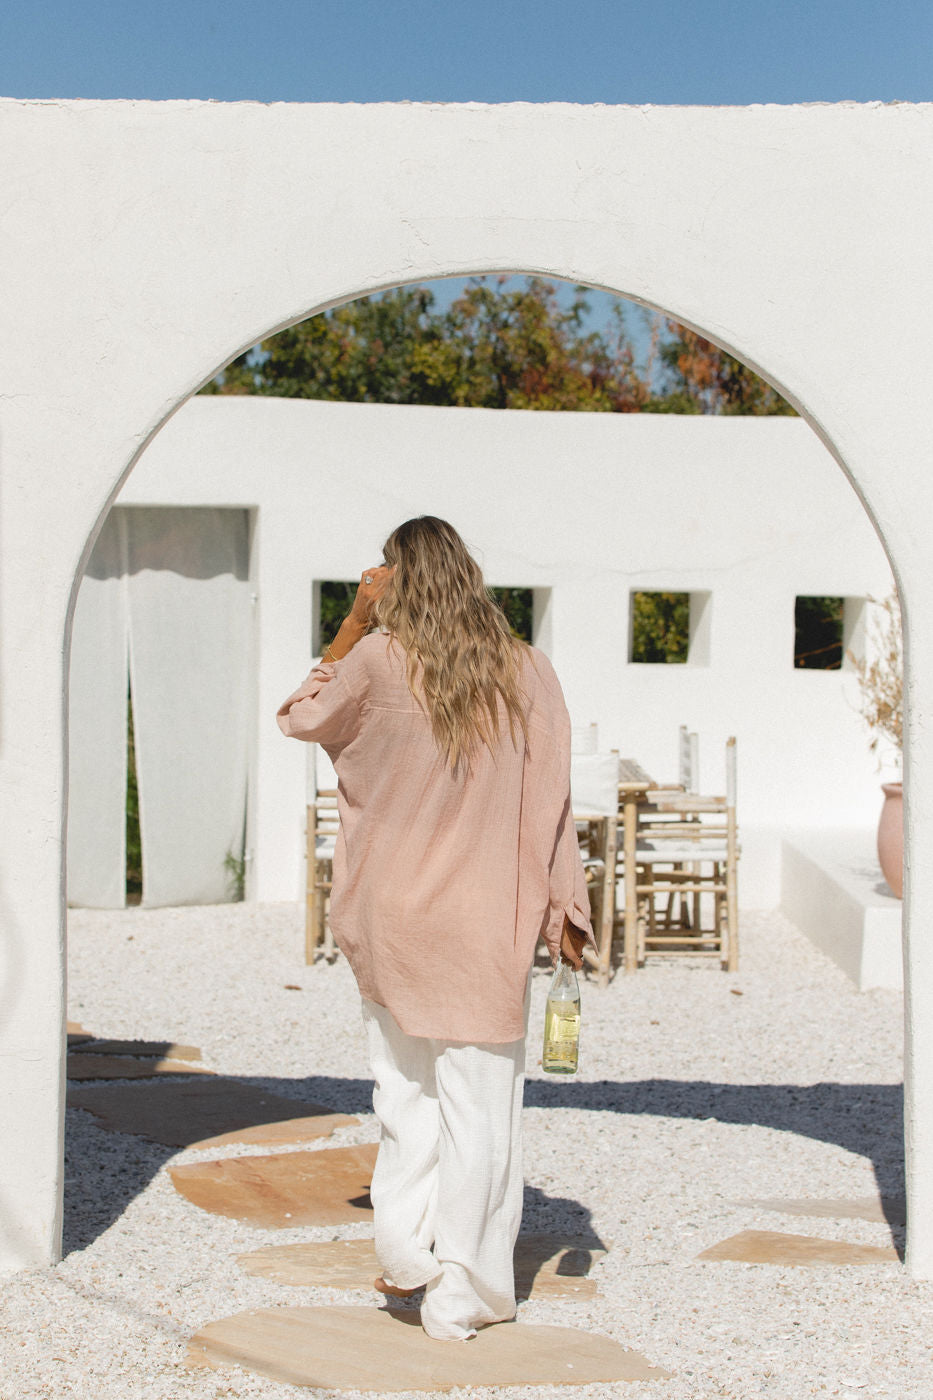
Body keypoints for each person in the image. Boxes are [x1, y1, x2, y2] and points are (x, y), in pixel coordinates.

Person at [276, 516, 594, 1341]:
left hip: (392, 917)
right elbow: (553, 802)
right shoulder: (527, 670)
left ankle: (404, 1247)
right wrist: (564, 906)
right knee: (480, 1110)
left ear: (396, 577)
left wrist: (353, 620)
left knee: (403, 1091)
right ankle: (463, 1291)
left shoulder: (375, 661)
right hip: (487, 919)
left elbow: (301, 716)